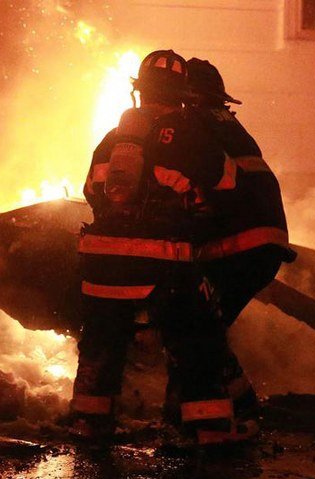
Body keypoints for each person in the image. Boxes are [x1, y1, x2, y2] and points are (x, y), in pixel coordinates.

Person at [71, 50, 239, 444]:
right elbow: (226, 185)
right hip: (164, 264)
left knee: (101, 345)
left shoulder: (113, 138)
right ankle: (210, 435)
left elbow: (91, 191)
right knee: (197, 342)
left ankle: (88, 428)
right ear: (182, 94)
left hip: (101, 266)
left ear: (139, 91)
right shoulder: (189, 133)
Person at [167, 58, 296, 425]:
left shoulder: (191, 126)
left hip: (237, 245)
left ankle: (214, 421)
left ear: (186, 98)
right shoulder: (227, 125)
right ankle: (234, 409)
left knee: (194, 330)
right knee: (206, 328)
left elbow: (199, 184)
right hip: (263, 245)